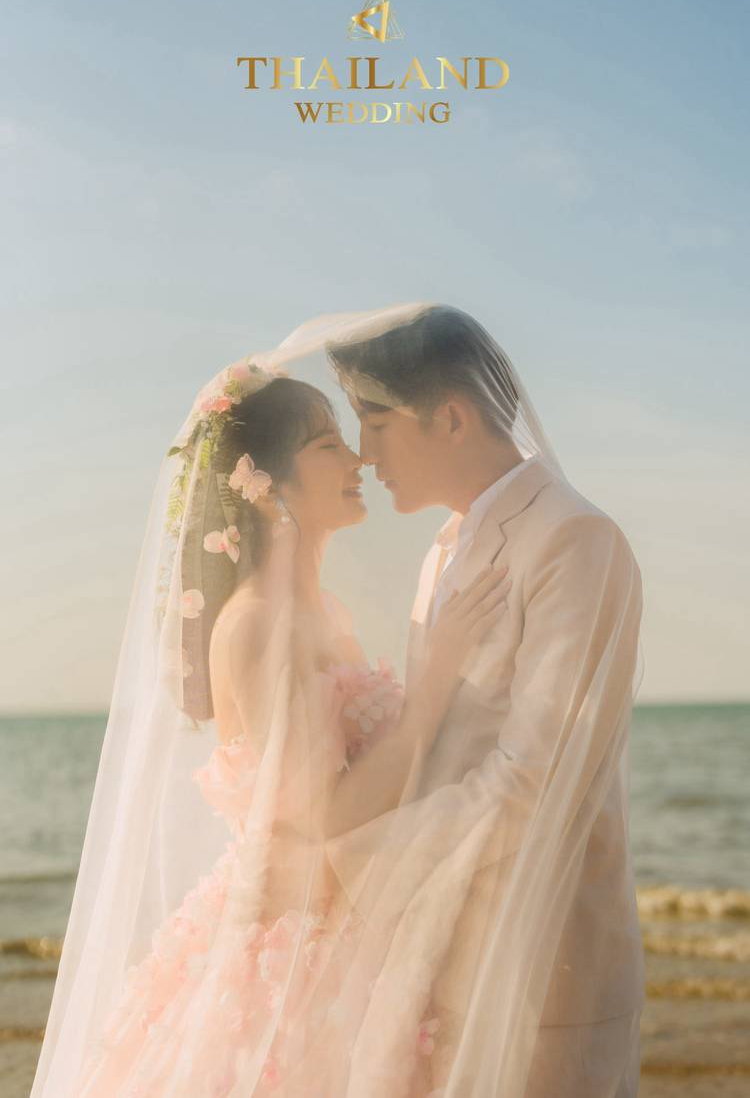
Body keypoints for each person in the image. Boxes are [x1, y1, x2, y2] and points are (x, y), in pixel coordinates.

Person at [31, 356, 508, 1097]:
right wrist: (433, 690)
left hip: (346, 926)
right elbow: (324, 819)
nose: (359, 459)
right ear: (266, 487)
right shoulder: (257, 622)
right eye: (328, 445)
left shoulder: (325, 613)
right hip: (292, 960)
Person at [315, 301, 646, 1096]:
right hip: (440, 959)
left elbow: (537, 779)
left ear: (453, 418)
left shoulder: (575, 540)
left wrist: (355, 866)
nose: (364, 452)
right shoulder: (442, 552)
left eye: (376, 422)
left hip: (541, 965)